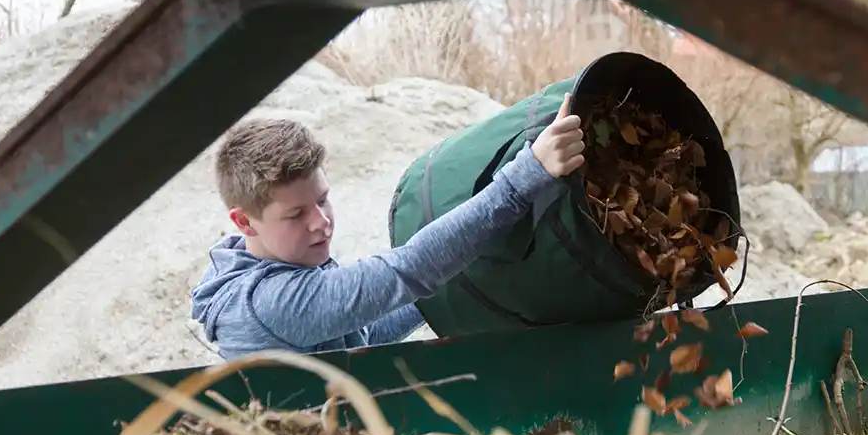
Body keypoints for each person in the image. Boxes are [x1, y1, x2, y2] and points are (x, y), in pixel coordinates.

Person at [190, 94, 585, 360]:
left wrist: (459, 267)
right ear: (244, 222)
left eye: (323, 198)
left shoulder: (285, 261)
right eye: (295, 215)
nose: (321, 222)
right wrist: (525, 176)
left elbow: (365, 333)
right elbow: (409, 269)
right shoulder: (270, 304)